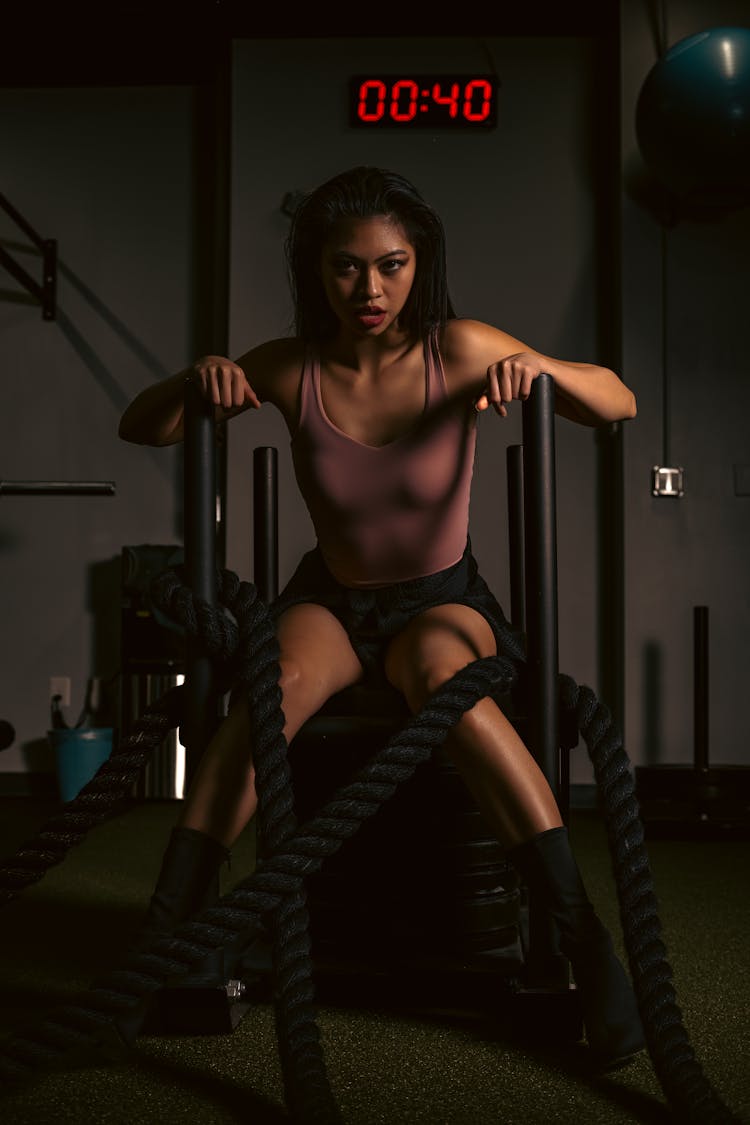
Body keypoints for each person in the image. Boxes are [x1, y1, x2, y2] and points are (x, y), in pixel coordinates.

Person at [118, 165, 642, 1068]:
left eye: (391, 266)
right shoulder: (292, 366)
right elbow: (145, 426)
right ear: (317, 272)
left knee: (449, 685)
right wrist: (194, 377)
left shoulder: (461, 347)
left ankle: (582, 937)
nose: (370, 289)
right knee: (271, 687)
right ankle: (172, 930)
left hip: (440, 601)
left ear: (419, 264)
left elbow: (618, 401)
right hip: (331, 598)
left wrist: (542, 367)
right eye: (347, 268)